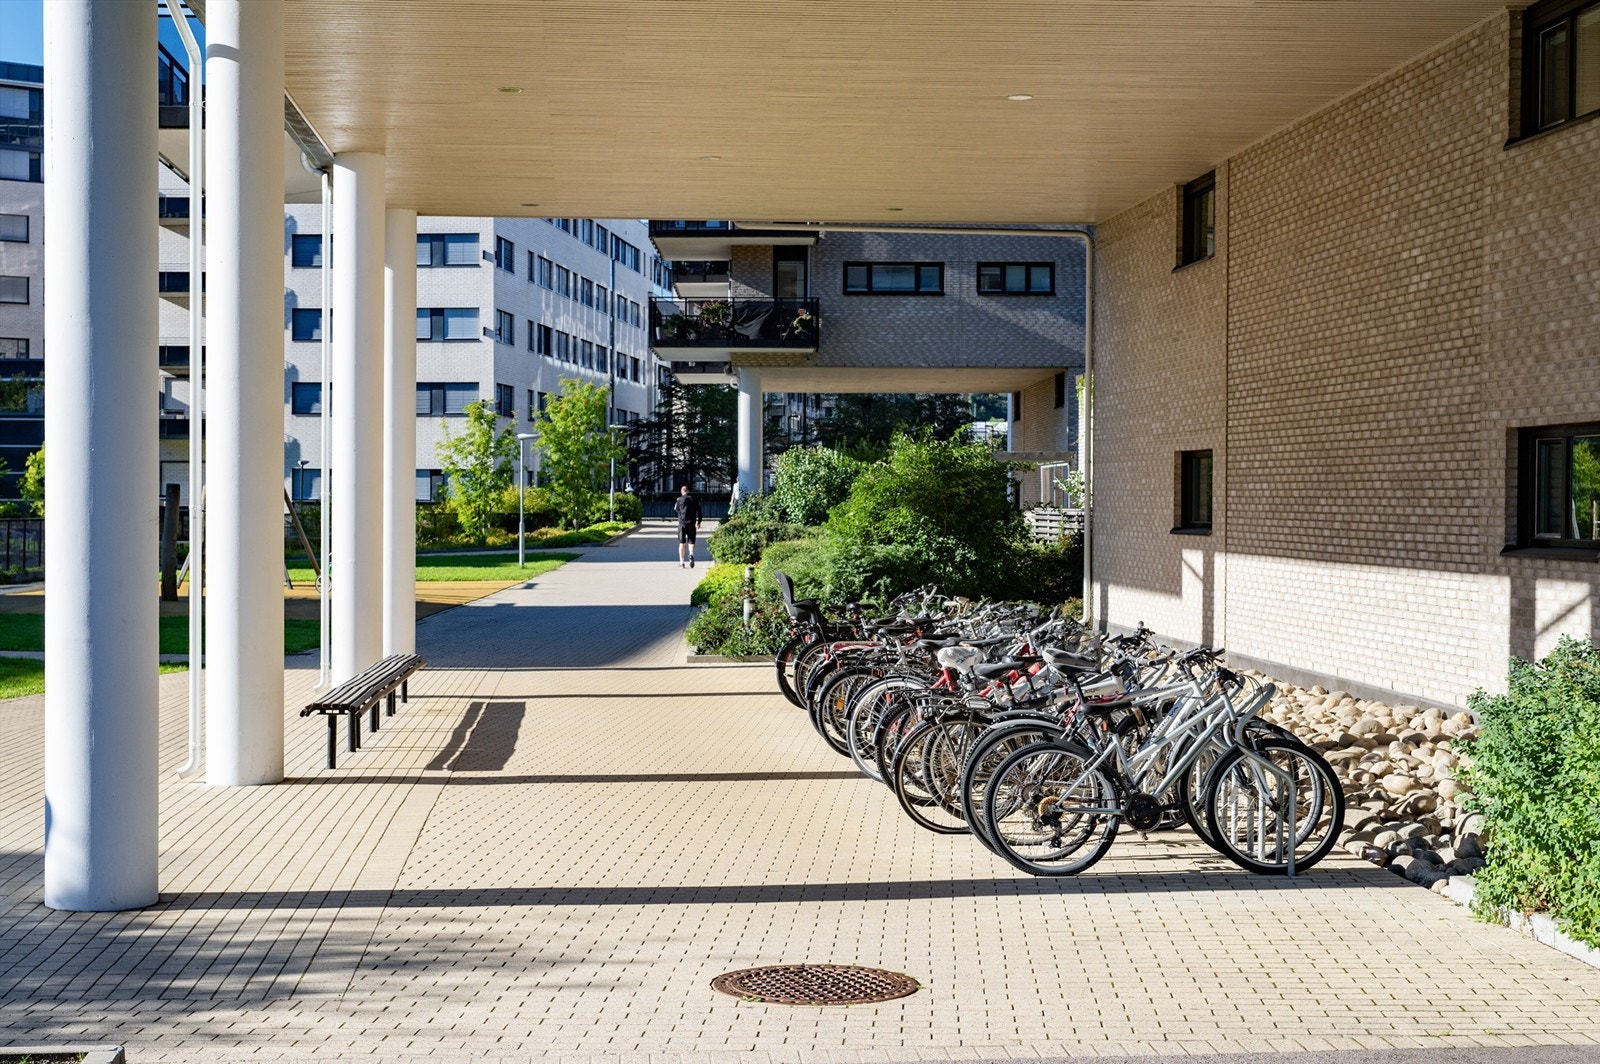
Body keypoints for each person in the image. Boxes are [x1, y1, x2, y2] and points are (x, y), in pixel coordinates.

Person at [674, 486, 701, 568]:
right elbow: (699, 511)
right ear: (688, 491)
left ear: (681, 491)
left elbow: (676, 509)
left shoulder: (679, 500)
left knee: (682, 543)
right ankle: (691, 554)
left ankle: (681, 562)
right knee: (691, 541)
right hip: (692, 524)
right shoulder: (694, 499)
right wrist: (699, 522)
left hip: (682, 524)